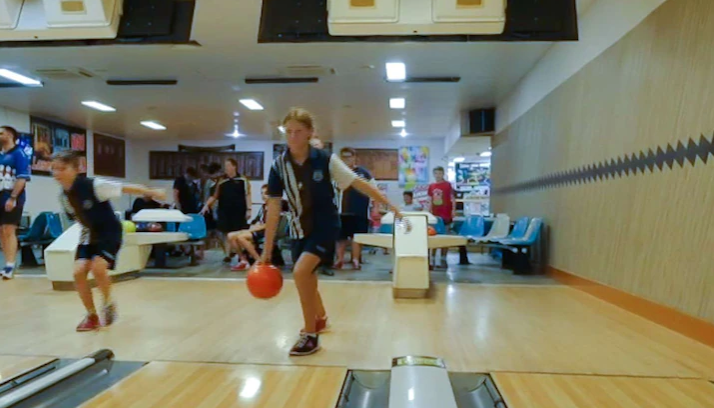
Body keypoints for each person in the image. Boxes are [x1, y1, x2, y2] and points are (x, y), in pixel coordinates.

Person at [260, 107, 405, 356]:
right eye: (288, 132)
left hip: (326, 225)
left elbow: (359, 183)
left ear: (310, 133)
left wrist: (390, 204)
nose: (292, 137)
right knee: (308, 278)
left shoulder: (327, 160)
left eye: (298, 132)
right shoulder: (278, 166)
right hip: (299, 228)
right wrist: (267, 249)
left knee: (301, 272)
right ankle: (320, 317)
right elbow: (273, 208)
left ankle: (310, 335)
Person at [51, 151, 165, 331]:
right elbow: (77, 218)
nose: (56, 173)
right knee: (78, 273)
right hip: (89, 233)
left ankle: (108, 303)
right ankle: (91, 316)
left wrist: (151, 191)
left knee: (98, 267)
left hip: (109, 231)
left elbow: (125, 188)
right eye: (54, 169)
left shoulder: (95, 185)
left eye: (62, 169)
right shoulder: (63, 197)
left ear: (76, 169)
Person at [201, 158, 251, 266]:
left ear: (234, 166)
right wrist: (206, 205)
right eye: (225, 166)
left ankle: (239, 254)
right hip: (224, 210)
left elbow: (247, 195)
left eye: (228, 165)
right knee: (225, 233)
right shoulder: (221, 180)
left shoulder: (243, 179)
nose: (226, 168)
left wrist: (249, 209)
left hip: (239, 210)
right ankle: (227, 255)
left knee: (238, 233)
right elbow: (214, 196)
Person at [334, 147, 374, 270]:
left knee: (357, 237)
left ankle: (355, 259)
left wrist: (375, 208)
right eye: (344, 157)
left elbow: (374, 190)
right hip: (342, 211)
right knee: (340, 237)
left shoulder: (364, 173)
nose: (347, 159)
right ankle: (339, 259)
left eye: (349, 156)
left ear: (354, 157)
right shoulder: (336, 173)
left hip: (360, 210)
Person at [0, 126, 31, 280]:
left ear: (10, 135)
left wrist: (13, 197)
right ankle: (6, 263)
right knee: (2, 231)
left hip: (11, 195)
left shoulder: (19, 154)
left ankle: (11, 264)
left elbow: (22, 178)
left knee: (9, 229)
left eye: (1, 133)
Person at [227, 184, 269, 269]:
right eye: (262, 193)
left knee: (241, 237)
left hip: (263, 231)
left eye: (266, 193)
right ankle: (243, 260)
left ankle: (258, 260)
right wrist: (252, 226)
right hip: (255, 228)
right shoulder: (263, 206)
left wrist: (253, 229)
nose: (263, 196)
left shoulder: (273, 207)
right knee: (230, 235)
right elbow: (256, 220)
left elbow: (268, 225)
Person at [428, 166, 456, 266]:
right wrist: (429, 211)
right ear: (433, 174)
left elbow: (452, 198)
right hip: (435, 215)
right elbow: (430, 200)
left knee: (445, 236)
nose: (438, 175)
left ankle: (444, 258)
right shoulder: (431, 186)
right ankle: (433, 257)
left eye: (440, 173)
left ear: (443, 174)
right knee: (434, 235)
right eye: (436, 173)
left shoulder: (448, 185)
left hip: (446, 214)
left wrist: (453, 210)